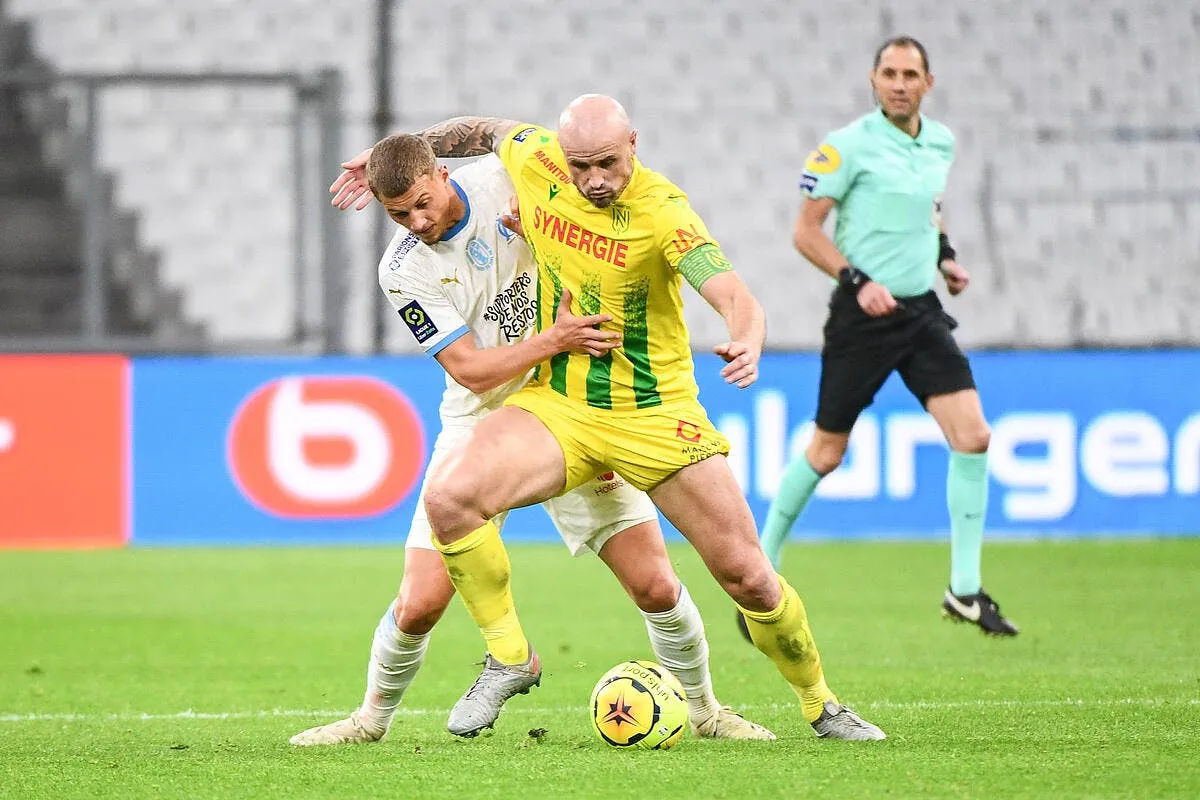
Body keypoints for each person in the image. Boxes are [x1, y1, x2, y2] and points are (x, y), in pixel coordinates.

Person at [334, 95, 886, 741]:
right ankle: (506, 659)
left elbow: (731, 290)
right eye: (580, 166)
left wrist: (747, 335)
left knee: (744, 578)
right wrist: (387, 152)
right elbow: (483, 128)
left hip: (650, 414)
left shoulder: (664, 212)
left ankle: (818, 704)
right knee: (449, 500)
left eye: (606, 164)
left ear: (634, 144)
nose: (593, 180)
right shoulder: (532, 165)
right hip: (555, 403)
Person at [290, 134, 775, 746]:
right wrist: (555, 338)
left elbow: (547, 153)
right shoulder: (403, 268)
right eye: (398, 215)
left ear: (442, 173)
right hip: (480, 416)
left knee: (653, 582)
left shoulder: (506, 177)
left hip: (572, 404)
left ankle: (706, 711)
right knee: (419, 605)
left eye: (421, 204)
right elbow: (469, 370)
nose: (417, 222)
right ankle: (370, 720)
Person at [757, 36, 1018, 637]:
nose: (899, 83)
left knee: (974, 436)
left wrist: (946, 256)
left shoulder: (941, 142)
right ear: (873, 81)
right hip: (861, 317)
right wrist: (857, 279)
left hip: (921, 313)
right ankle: (761, 572)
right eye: (889, 73)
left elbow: (930, 209)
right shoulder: (845, 148)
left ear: (929, 82)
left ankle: (965, 589)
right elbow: (805, 232)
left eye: (910, 74)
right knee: (827, 452)